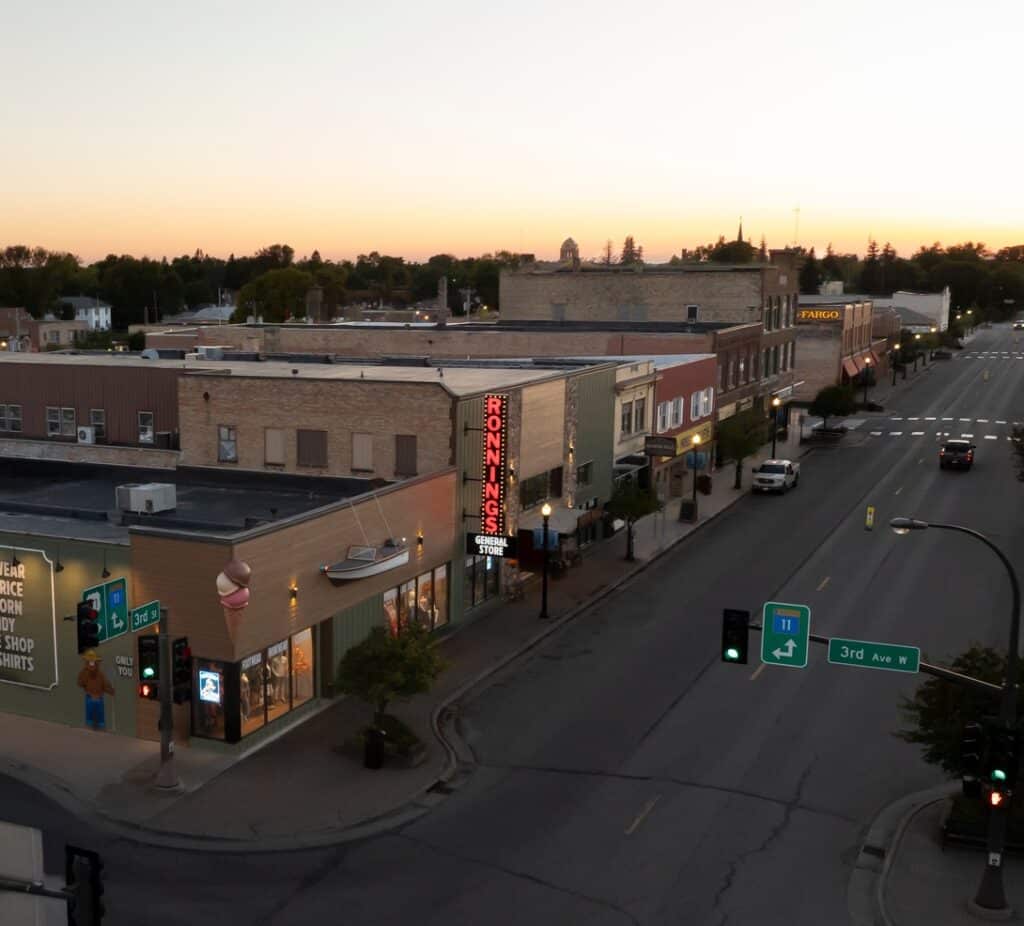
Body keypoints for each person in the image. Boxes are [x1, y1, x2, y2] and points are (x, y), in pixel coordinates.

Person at [77, 650, 115, 731]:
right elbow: (80, 683)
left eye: (93, 662)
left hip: (99, 697)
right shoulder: (84, 673)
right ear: (87, 663)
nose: (92, 664)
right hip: (90, 697)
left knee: (100, 715)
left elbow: (105, 684)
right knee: (90, 715)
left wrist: (110, 690)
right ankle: (90, 726)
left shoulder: (100, 674)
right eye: (90, 662)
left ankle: (100, 726)